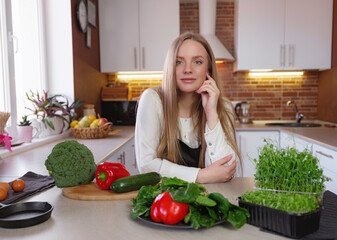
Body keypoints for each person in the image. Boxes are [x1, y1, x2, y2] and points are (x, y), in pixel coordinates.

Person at [135, 32, 241, 184]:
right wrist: (201, 175)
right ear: (170, 67)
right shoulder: (153, 99)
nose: (187, 69)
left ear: (208, 69)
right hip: (163, 203)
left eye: (197, 62)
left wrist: (211, 113)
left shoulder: (223, 106)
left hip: (208, 200)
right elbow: (146, 165)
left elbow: (226, 170)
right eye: (179, 62)